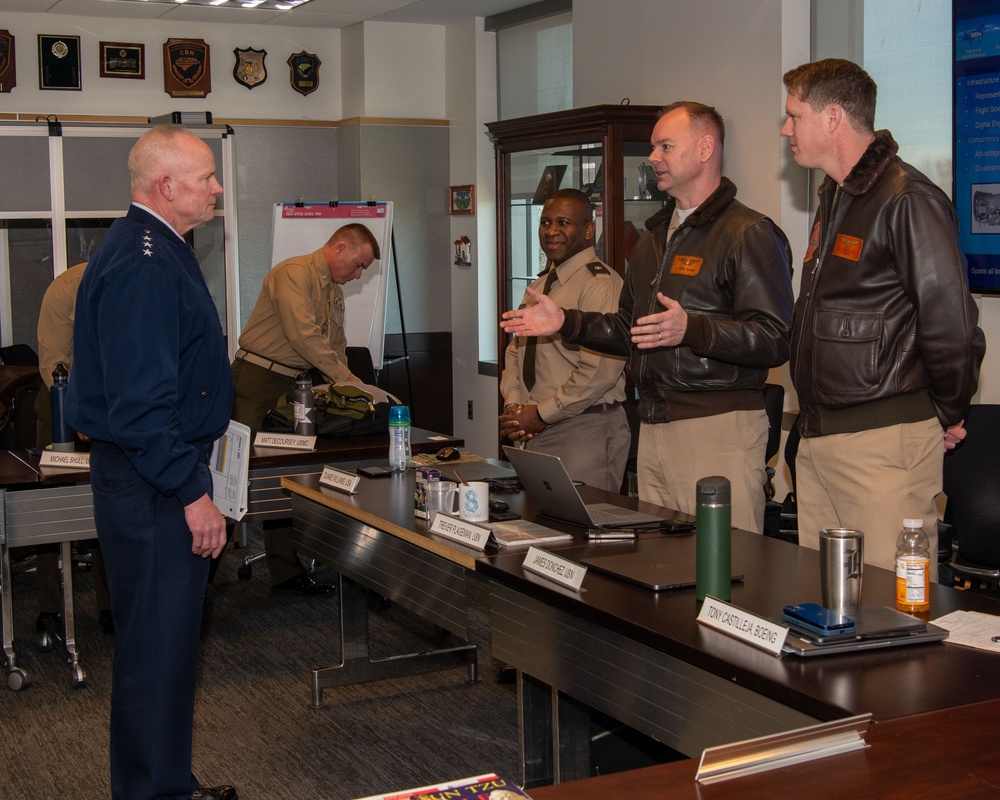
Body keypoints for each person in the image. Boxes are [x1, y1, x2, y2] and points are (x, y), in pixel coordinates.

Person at [501, 102, 794, 532]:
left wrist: (691, 329)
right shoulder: (654, 239)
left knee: (725, 573)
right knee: (664, 568)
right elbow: (627, 331)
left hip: (715, 426)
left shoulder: (747, 233)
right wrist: (566, 321)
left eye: (665, 146)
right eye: (653, 146)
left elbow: (774, 338)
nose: (653, 156)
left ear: (705, 149)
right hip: (654, 428)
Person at [65, 126, 237, 800]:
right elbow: (140, 406)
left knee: (162, 652)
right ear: (167, 186)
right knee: (157, 652)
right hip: (154, 482)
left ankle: (163, 784)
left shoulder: (152, 245)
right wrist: (191, 492)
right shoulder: (145, 260)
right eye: (207, 177)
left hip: (149, 475)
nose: (217, 188)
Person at [780, 59, 985, 577]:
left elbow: (952, 326)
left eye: (793, 116)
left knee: (894, 613)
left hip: (883, 448)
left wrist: (946, 411)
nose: (785, 130)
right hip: (821, 440)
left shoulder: (907, 200)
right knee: (823, 609)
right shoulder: (837, 200)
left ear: (832, 118)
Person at [231, 223, 380, 594]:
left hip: (300, 386)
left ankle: (286, 572)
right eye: (358, 264)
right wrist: (351, 382)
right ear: (341, 247)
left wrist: (344, 390)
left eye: (364, 269)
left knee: (287, 473)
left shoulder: (334, 291)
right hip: (258, 379)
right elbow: (305, 337)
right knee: (236, 476)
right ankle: (197, 579)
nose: (358, 274)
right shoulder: (293, 273)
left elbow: (337, 343)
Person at [499, 189, 630, 492]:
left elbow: (599, 370)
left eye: (563, 222)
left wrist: (542, 414)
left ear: (588, 229)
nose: (551, 231)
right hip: (533, 428)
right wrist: (515, 405)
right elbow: (516, 350)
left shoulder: (601, 285)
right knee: (543, 532)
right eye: (545, 223)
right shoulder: (541, 284)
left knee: (585, 531)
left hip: (584, 429)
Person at [33, 261, 114, 636]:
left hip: (108, 403)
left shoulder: (130, 282)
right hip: (60, 401)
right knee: (50, 509)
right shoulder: (66, 288)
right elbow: (54, 364)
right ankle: (49, 607)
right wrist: (76, 412)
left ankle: (110, 605)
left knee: (106, 501)